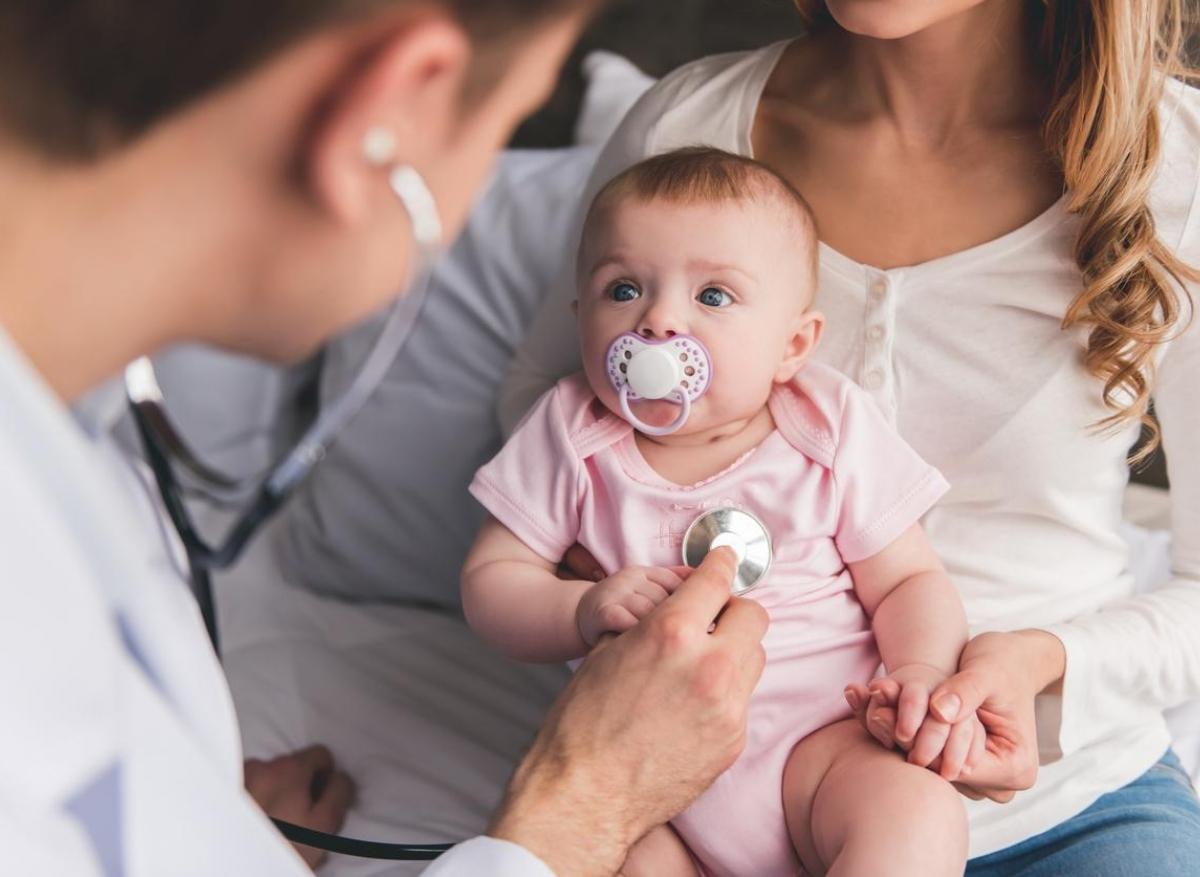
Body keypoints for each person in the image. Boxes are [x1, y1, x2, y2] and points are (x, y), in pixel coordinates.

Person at [0, 2, 771, 875]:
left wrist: (198, 831)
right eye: (506, 124)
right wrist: (584, 800)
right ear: (384, 119)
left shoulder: (80, 448)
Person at [501, 0, 1200, 873]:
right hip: (688, 797)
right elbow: (542, 405)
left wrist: (1043, 663)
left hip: (1063, 805)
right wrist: (609, 603)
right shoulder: (687, 129)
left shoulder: (1177, 170)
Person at [463, 146, 972, 876]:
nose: (660, 321)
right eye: (624, 289)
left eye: (713, 297)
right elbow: (492, 579)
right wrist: (579, 607)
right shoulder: (573, 433)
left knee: (916, 811)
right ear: (581, 321)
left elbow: (906, 581)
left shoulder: (825, 427)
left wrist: (920, 668)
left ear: (792, 345)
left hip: (824, 747)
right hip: (644, 780)